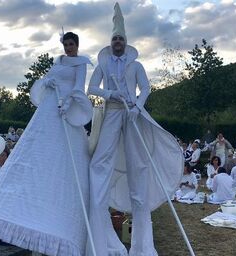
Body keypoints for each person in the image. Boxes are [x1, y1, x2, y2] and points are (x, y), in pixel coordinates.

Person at [0, 31, 93, 256]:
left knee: (64, 157)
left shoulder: (81, 63)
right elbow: (44, 83)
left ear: (77, 44)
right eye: (66, 45)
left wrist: (70, 103)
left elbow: (79, 88)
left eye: (72, 44)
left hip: (66, 110)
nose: (69, 48)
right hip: (49, 108)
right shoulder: (58, 62)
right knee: (37, 153)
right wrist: (48, 81)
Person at [87, 3, 183, 255]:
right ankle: (101, 233)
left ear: (126, 42)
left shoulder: (136, 65)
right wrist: (110, 93)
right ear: (110, 42)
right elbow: (91, 88)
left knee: (137, 164)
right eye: (114, 38)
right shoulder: (104, 65)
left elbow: (147, 88)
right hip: (112, 112)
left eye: (120, 39)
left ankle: (142, 246)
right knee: (101, 160)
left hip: (131, 114)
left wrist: (138, 106)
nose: (117, 42)